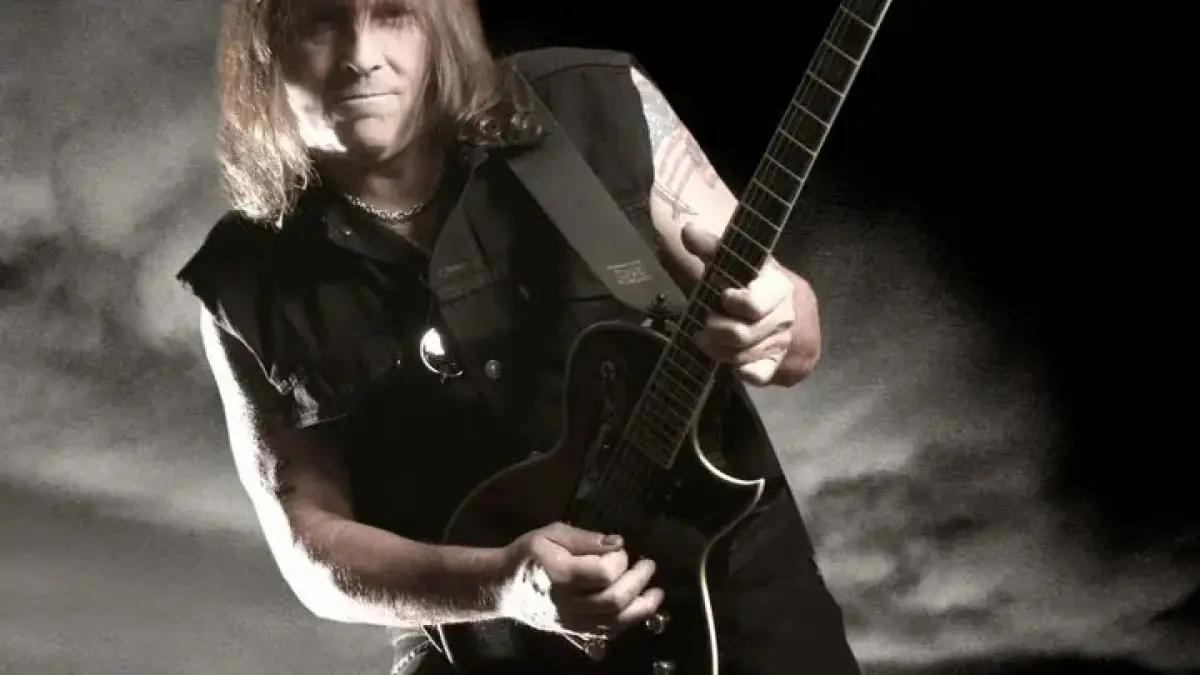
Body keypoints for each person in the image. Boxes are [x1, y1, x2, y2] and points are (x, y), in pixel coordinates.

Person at [181, 0, 861, 673]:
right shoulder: (243, 281)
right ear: (265, 47)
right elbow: (310, 547)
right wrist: (505, 587)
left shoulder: (592, 103)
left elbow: (792, 336)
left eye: (394, 14)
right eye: (323, 20)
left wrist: (778, 322)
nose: (361, 56)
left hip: (744, 600)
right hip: (489, 644)